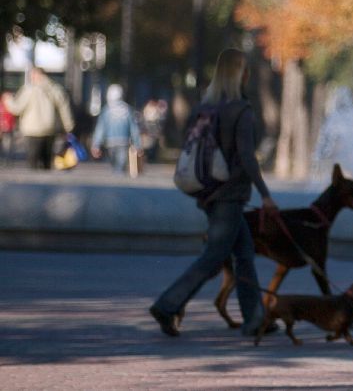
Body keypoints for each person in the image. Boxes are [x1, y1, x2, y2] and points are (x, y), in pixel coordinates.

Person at [149, 48, 278, 337]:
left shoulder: (203, 108)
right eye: (246, 70)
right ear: (240, 74)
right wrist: (265, 194)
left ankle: (255, 318)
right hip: (229, 196)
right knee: (213, 258)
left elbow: (191, 150)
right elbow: (247, 157)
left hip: (208, 192)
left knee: (244, 254)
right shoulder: (240, 110)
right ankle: (168, 304)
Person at [2, 67, 75, 169]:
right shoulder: (55, 89)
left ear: (36, 75)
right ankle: (47, 181)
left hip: (32, 130)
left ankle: (35, 182)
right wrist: (68, 127)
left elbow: (17, 108)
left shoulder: (29, 90)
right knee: (47, 161)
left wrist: (8, 100)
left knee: (33, 161)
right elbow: (64, 109)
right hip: (50, 129)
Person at [90, 84, 142, 174]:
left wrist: (96, 145)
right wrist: (137, 144)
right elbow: (134, 129)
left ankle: (117, 178)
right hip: (124, 142)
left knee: (115, 165)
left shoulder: (106, 110)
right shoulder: (127, 110)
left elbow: (100, 129)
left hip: (110, 142)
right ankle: (119, 180)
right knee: (120, 165)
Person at [0, 92, 16, 165]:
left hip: (9, 129)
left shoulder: (12, 106)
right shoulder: (1, 106)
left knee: (8, 145)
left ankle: (7, 160)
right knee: (5, 145)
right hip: (2, 128)